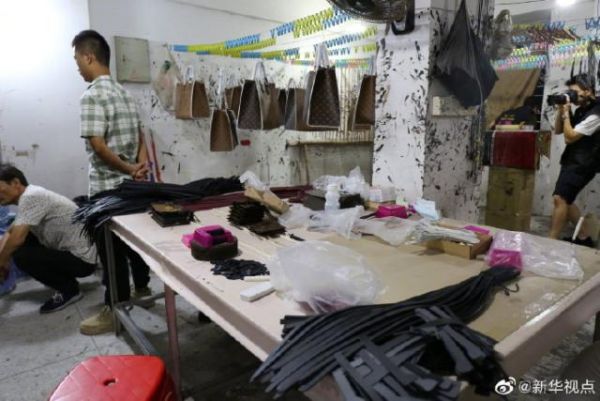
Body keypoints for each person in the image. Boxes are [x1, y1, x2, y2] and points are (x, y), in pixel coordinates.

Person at [72, 29, 153, 335]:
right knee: (132, 242)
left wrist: (130, 168)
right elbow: (141, 137)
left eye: (77, 60)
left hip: (107, 190)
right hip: (132, 189)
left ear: (89, 57)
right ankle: (142, 288)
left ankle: (115, 308)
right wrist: (139, 167)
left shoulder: (92, 95)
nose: (78, 67)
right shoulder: (125, 94)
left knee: (111, 251)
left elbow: (98, 146)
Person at [0, 164, 97, 313]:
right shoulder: (29, 196)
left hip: (83, 261)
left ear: (15, 183)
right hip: (73, 253)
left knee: (21, 255)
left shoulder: (31, 197)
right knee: (19, 240)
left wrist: (2, 261)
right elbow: (10, 232)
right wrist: (2, 260)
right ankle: (60, 279)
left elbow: (16, 240)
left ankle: (69, 290)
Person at [550, 74, 600, 246]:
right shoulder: (581, 110)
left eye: (575, 92)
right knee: (566, 199)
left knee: (560, 198)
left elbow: (569, 137)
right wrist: (562, 109)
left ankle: (551, 242)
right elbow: (558, 130)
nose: (572, 95)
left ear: (588, 91)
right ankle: (584, 237)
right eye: (570, 91)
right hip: (572, 160)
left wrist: (566, 115)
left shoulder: (597, 112)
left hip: (584, 164)